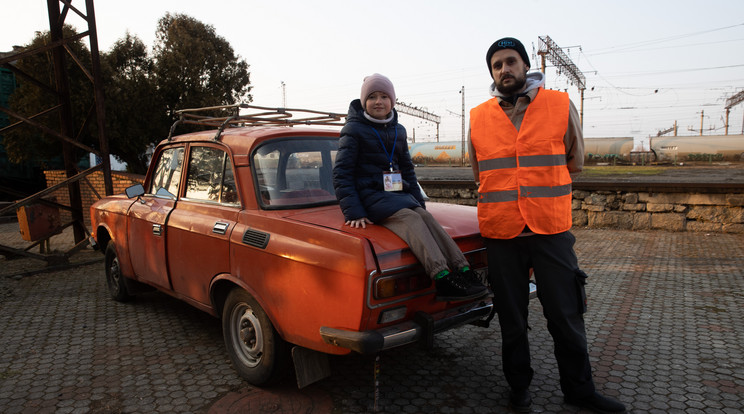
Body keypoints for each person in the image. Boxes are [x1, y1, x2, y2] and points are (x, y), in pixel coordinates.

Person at [468, 38, 627, 414]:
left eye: (510, 62)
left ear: (526, 65)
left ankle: (579, 390)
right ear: (491, 73)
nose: (504, 70)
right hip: (501, 232)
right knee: (512, 320)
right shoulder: (478, 116)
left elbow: (575, 160)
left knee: (566, 315)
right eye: (496, 65)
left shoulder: (558, 104)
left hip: (549, 230)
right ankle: (518, 387)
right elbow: (480, 173)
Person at [333, 73, 488, 301]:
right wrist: (354, 212)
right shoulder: (353, 130)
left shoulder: (399, 130)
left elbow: (407, 170)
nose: (378, 101)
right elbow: (342, 173)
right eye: (372, 97)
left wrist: (420, 202)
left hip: (396, 195)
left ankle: (462, 269)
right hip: (371, 197)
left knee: (425, 217)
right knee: (412, 219)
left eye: (384, 96)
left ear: (392, 101)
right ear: (363, 101)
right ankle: (442, 276)